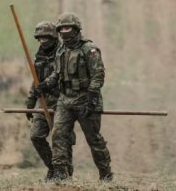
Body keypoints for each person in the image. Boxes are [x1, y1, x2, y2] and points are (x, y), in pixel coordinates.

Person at [42, 12, 113, 181]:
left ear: (76, 29)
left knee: (93, 139)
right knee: (58, 135)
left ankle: (106, 174)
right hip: (65, 101)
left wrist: (93, 99)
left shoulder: (89, 49)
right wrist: (44, 85)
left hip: (85, 101)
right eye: (62, 29)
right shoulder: (60, 50)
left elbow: (98, 75)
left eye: (68, 28)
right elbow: (57, 74)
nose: (64, 31)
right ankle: (60, 172)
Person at [26, 21, 75, 181]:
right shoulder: (39, 57)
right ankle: (53, 168)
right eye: (39, 38)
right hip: (44, 103)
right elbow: (36, 80)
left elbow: (64, 77)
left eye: (45, 38)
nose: (42, 41)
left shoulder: (64, 54)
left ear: (53, 37)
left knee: (61, 138)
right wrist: (31, 101)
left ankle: (64, 171)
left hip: (63, 102)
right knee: (36, 136)